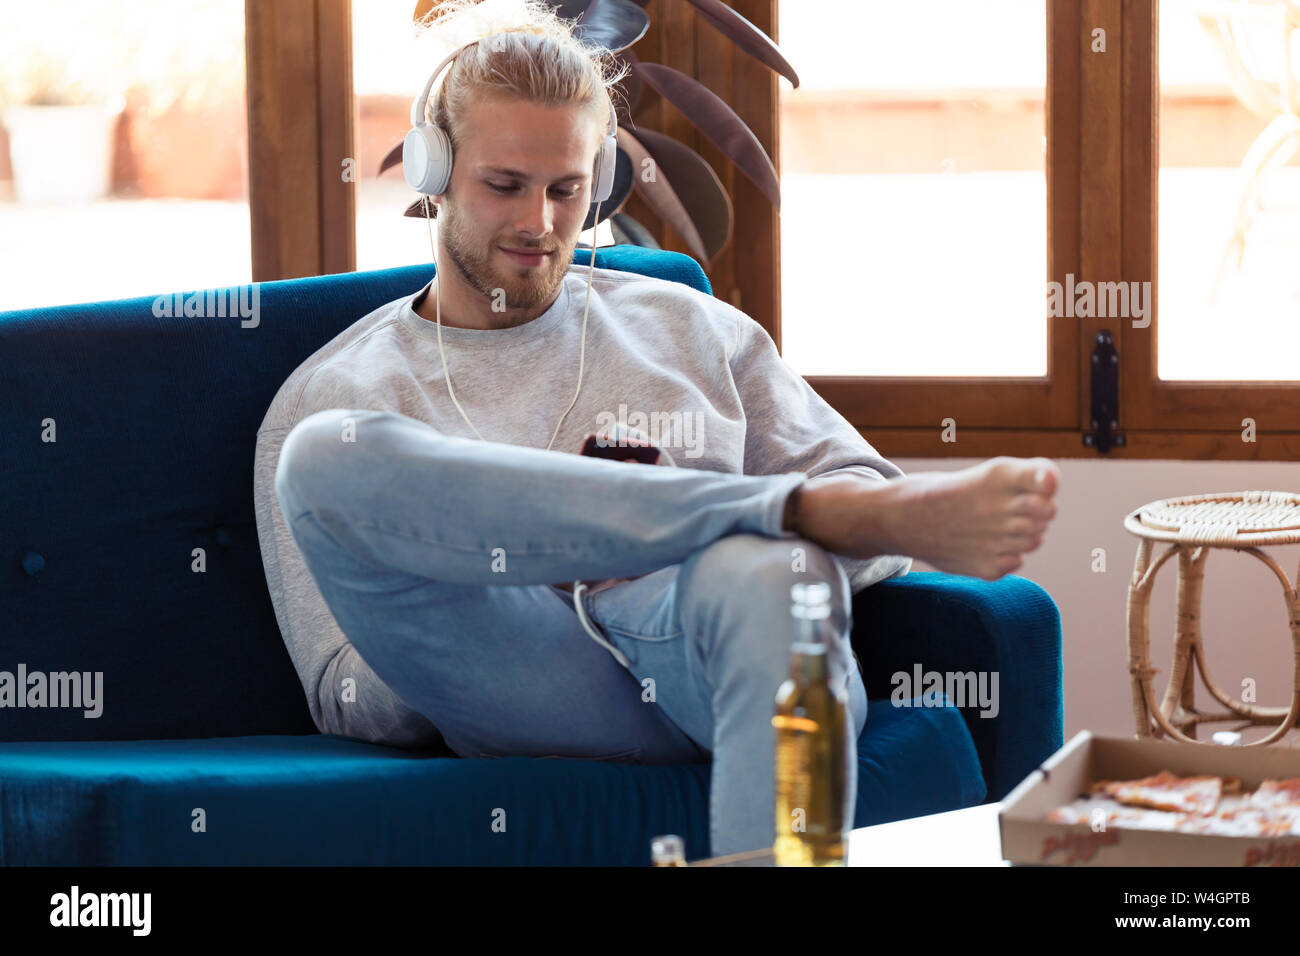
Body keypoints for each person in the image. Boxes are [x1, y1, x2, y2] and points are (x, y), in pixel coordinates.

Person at [253, 0, 1060, 859]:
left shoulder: (694, 330)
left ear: (597, 181)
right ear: (433, 171)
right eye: (504, 186)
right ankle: (782, 510)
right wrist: (530, 558)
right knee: (324, 462)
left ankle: (772, 526)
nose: (539, 224)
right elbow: (338, 690)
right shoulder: (338, 388)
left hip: (715, 654)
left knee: (772, 572)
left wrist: (651, 557)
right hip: (512, 667)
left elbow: (874, 510)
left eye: (567, 190)